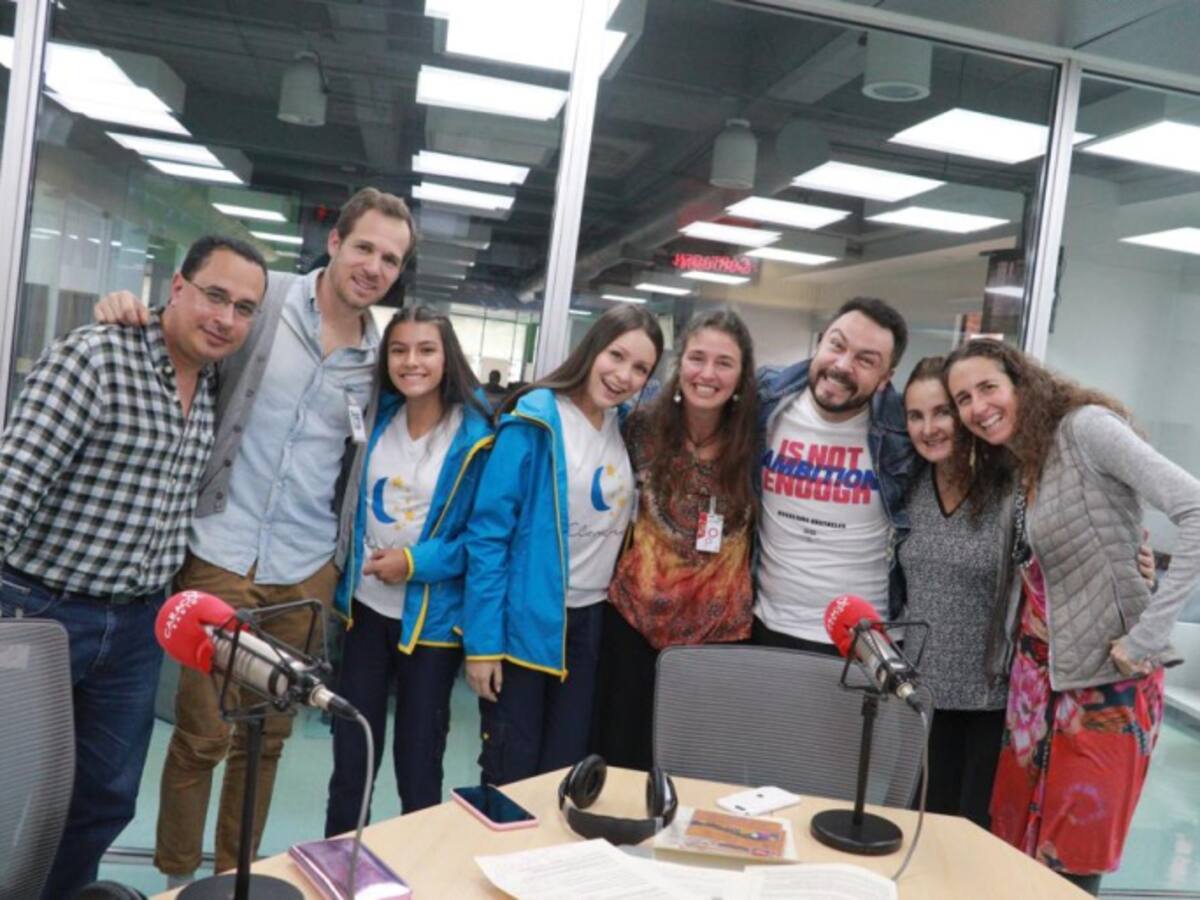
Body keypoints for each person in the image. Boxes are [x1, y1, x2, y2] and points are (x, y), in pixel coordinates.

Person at [94, 188, 415, 881]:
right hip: (221, 548)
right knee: (203, 735)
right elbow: (189, 325)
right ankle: (180, 880)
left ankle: (238, 878)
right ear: (334, 243)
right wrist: (130, 311)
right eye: (364, 247)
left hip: (304, 568)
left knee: (266, 739)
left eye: (390, 259)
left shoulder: (379, 354)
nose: (374, 266)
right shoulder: (264, 300)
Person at [0, 235, 267, 899]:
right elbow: (9, 487)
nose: (225, 318)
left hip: (136, 628)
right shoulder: (94, 357)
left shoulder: (210, 385)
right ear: (176, 287)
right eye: (214, 295)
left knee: (103, 802)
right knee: (12, 795)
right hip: (39, 614)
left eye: (243, 308)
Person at [945, 338, 1200, 896]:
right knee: (1015, 856)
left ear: (1021, 381)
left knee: (1070, 866)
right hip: (1036, 685)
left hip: (1107, 688)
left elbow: (1195, 507)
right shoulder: (1024, 456)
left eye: (988, 387)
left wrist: (1149, 634)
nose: (977, 407)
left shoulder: (1087, 429)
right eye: (963, 398)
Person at [463, 304, 663, 786]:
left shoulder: (623, 428)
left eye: (640, 368)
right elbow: (489, 536)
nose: (623, 376)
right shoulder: (535, 420)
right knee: (512, 769)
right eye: (616, 355)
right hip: (526, 623)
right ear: (592, 347)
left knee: (564, 772)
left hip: (590, 624)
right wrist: (483, 644)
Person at [324, 306, 493, 835]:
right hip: (365, 614)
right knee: (352, 757)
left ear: (448, 358)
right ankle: (339, 866)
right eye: (399, 350)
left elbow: (480, 540)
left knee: (419, 761)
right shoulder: (376, 418)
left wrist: (414, 563)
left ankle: (413, 875)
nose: (411, 362)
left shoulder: (478, 437)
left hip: (433, 624)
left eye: (426, 350)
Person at [591, 309, 758, 770]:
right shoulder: (639, 428)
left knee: (693, 771)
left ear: (743, 374)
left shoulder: (758, 442)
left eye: (724, 363)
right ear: (679, 364)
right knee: (619, 766)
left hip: (717, 639)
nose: (707, 374)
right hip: (631, 623)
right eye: (697, 358)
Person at [754, 297, 915, 654]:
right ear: (820, 341)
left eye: (865, 360)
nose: (843, 365)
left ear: (886, 378)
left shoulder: (905, 432)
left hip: (863, 639)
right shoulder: (766, 400)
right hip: (766, 624)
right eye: (837, 345)